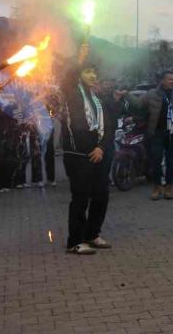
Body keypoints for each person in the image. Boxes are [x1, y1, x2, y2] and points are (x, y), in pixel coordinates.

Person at [60, 47, 112, 255]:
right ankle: (75, 241)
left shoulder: (97, 100)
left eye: (95, 72)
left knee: (101, 195)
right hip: (78, 155)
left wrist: (101, 147)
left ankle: (92, 234)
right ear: (79, 74)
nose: (93, 76)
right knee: (80, 198)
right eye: (88, 71)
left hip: (98, 155)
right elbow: (68, 76)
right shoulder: (72, 94)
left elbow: (108, 127)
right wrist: (78, 57)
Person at [127, 70, 173, 200]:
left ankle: (169, 187)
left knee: (171, 161)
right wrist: (126, 95)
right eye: (169, 79)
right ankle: (157, 187)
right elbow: (139, 104)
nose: (172, 81)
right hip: (157, 132)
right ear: (162, 80)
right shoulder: (152, 94)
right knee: (156, 160)